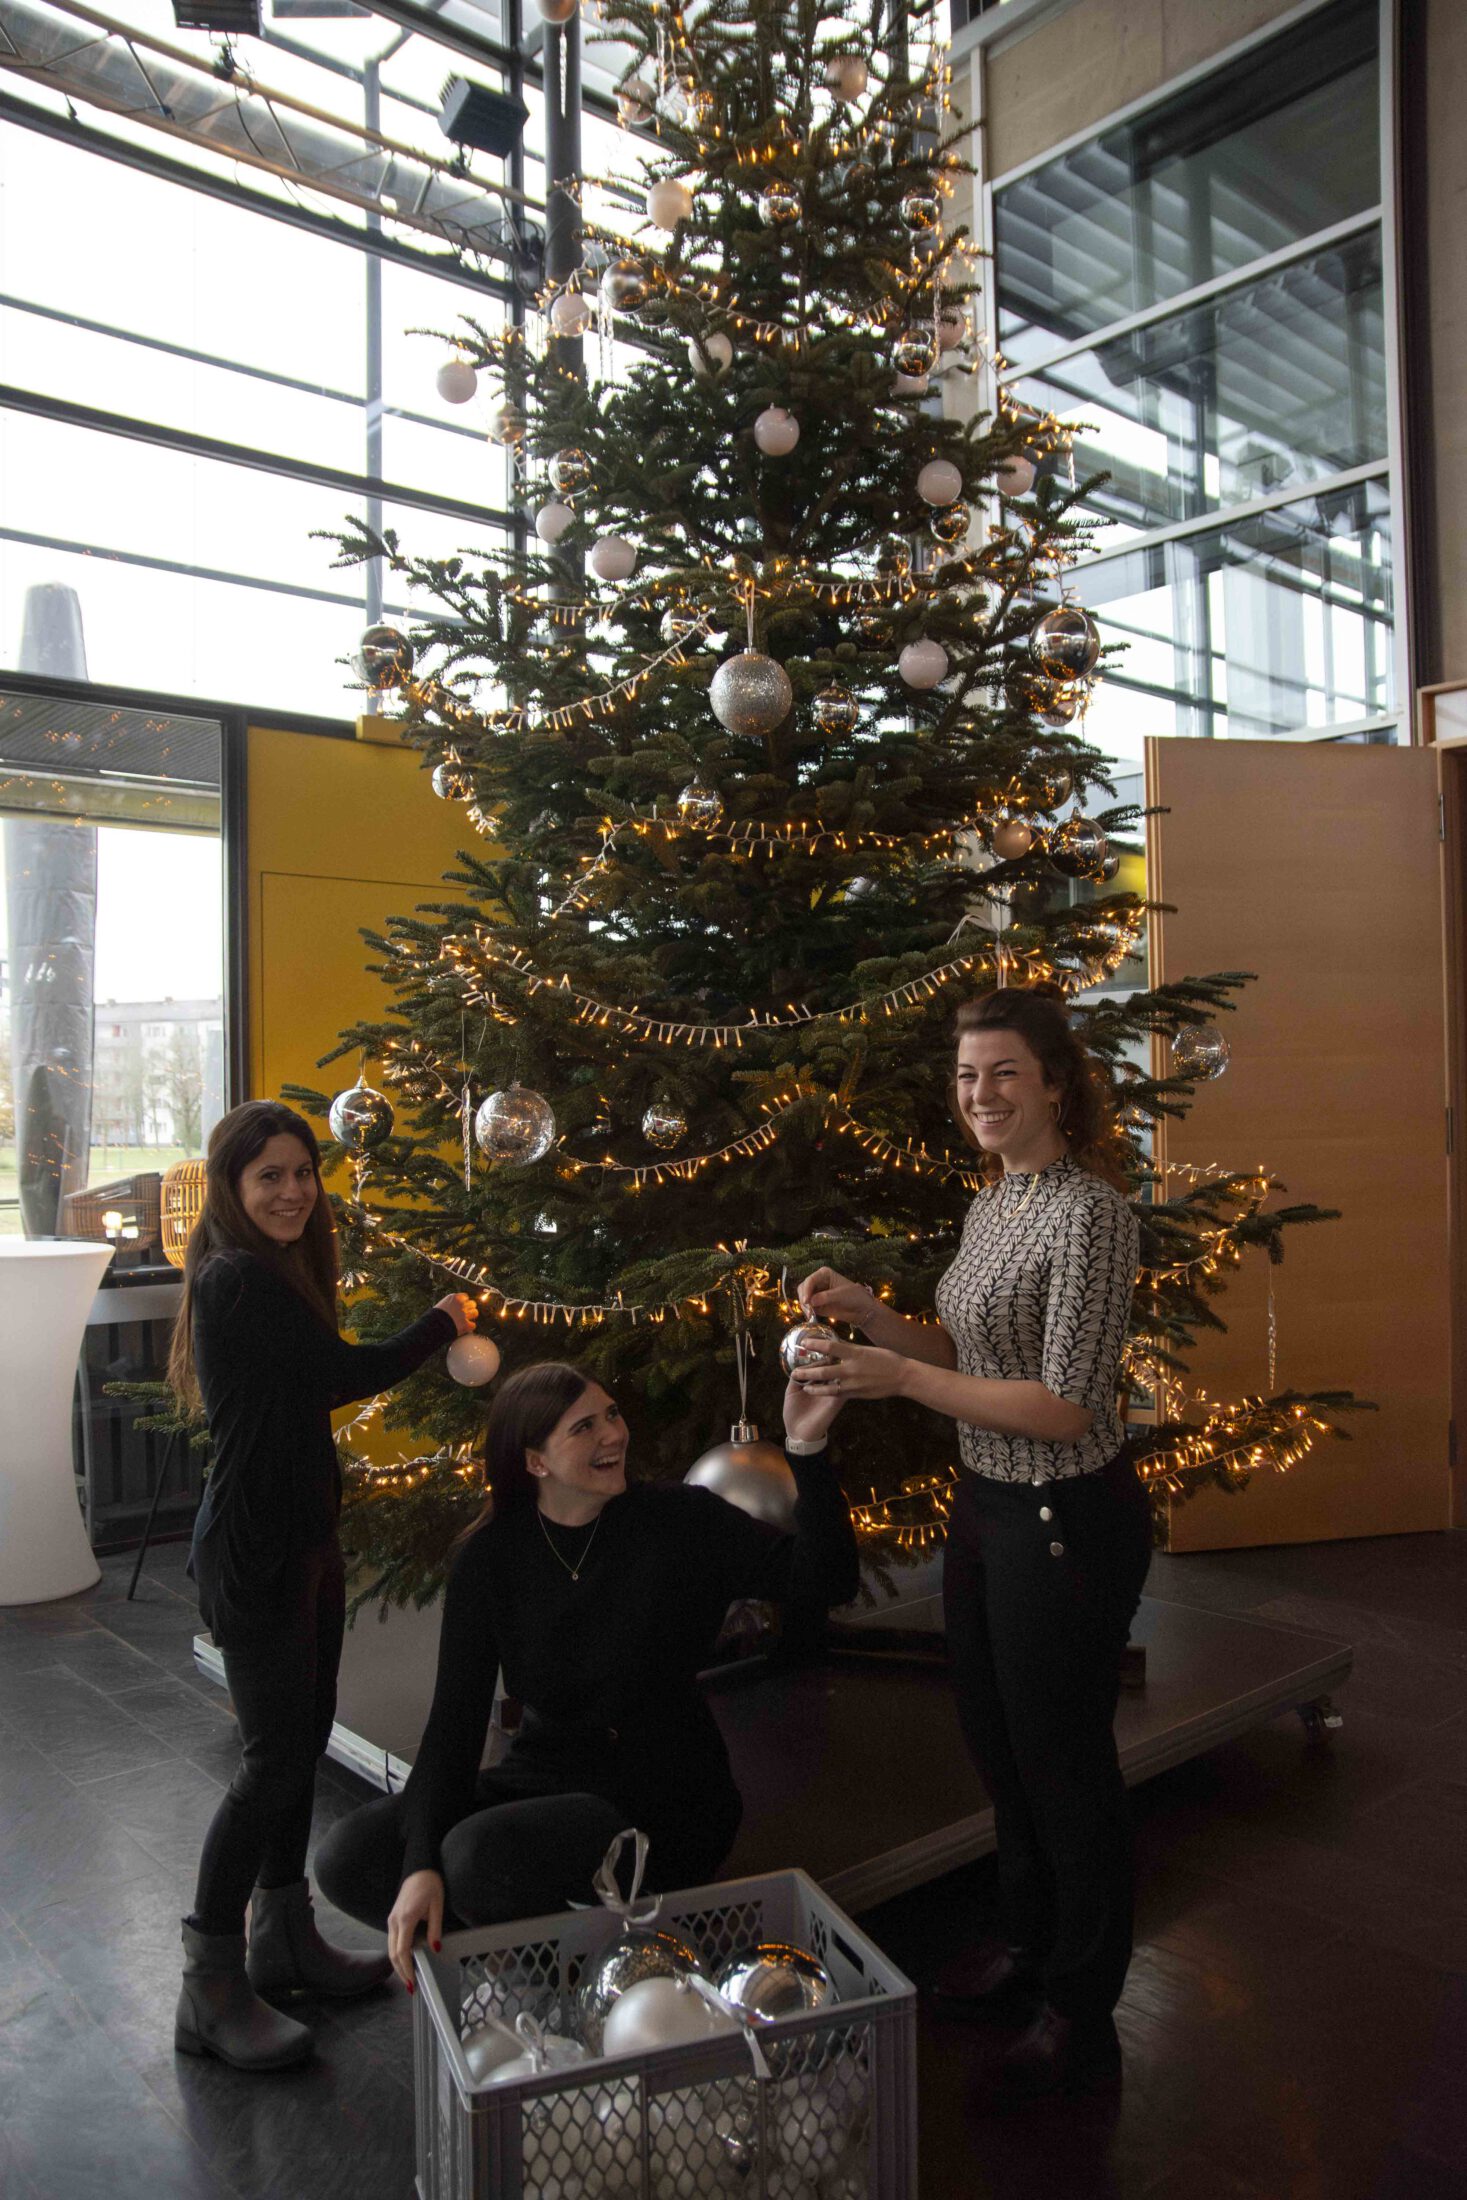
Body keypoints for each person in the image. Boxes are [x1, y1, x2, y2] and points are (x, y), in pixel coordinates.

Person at [794, 986, 1148, 2099]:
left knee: (1065, 1766)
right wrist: (879, 1318)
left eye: (1002, 1072)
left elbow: (1062, 1405)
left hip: (1063, 1517)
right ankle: (1027, 1944)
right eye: (965, 1077)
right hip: (986, 1507)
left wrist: (900, 1377)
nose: (980, 1095)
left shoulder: (1093, 1214)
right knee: (1002, 1753)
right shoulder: (993, 1203)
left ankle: (1080, 2009)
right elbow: (972, 1345)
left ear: (1053, 1081)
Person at [315, 1359, 858, 1987]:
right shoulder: (491, 1558)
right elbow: (454, 1726)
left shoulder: (680, 1520)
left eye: (612, 1414)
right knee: (349, 1858)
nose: (613, 1434)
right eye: (584, 1428)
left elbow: (826, 1580)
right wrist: (416, 1866)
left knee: (475, 1860)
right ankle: (555, 1963)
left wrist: (807, 1448)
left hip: (664, 1794)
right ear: (535, 1461)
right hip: (545, 1776)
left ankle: (565, 1977)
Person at [166, 1099, 476, 2072]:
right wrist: (443, 1320)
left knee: (299, 1743)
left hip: (303, 1541)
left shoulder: (280, 1271)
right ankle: (209, 1988)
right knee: (271, 1761)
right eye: (271, 1176)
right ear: (233, 1187)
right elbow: (348, 1372)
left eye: (304, 1171)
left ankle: (283, 1938)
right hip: (255, 1554)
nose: (294, 1189)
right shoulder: (232, 1280)